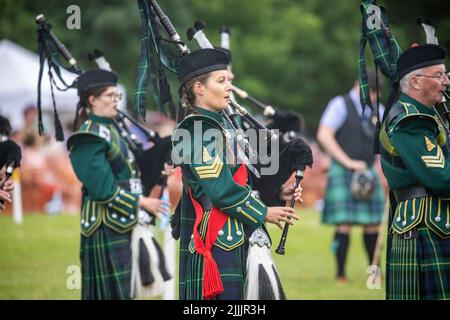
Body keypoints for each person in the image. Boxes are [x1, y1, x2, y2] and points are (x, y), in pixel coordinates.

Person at [172, 48, 301, 300]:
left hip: (239, 231)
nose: (229, 86)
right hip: (219, 238)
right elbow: (220, 189)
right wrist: (263, 212)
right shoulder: (198, 129)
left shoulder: (224, 127)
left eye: (229, 80)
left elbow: (242, 179)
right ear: (199, 88)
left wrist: (275, 193)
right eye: (222, 81)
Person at [67, 69, 169, 299]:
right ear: (92, 100)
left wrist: (162, 167)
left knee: (126, 293)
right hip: (105, 225)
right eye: (110, 96)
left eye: (117, 96)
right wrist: (141, 202)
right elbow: (103, 191)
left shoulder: (112, 131)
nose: (116, 101)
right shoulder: (88, 137)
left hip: (123, 221)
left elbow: (132, 172)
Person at [380, 43, 450, 299]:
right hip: (427, 224)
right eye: (439, 75)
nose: (446, 81)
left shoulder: (426, 115)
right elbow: (441, 178)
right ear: (417, 82)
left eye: (446, 75)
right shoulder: (412, 121)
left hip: (432, 221)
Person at [317, 70, 386, 283]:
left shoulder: (380, 110)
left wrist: (379, 167)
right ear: (358, 83)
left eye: (375, 92)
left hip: (368, 170)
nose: (371, 96)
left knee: (373, 223)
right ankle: (340, 274)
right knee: (344, 223)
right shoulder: (340, 104)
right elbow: (324, 135)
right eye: (369, 90)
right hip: (343, 170)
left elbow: (384, 142)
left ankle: (374, 273)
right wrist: (347, 162)